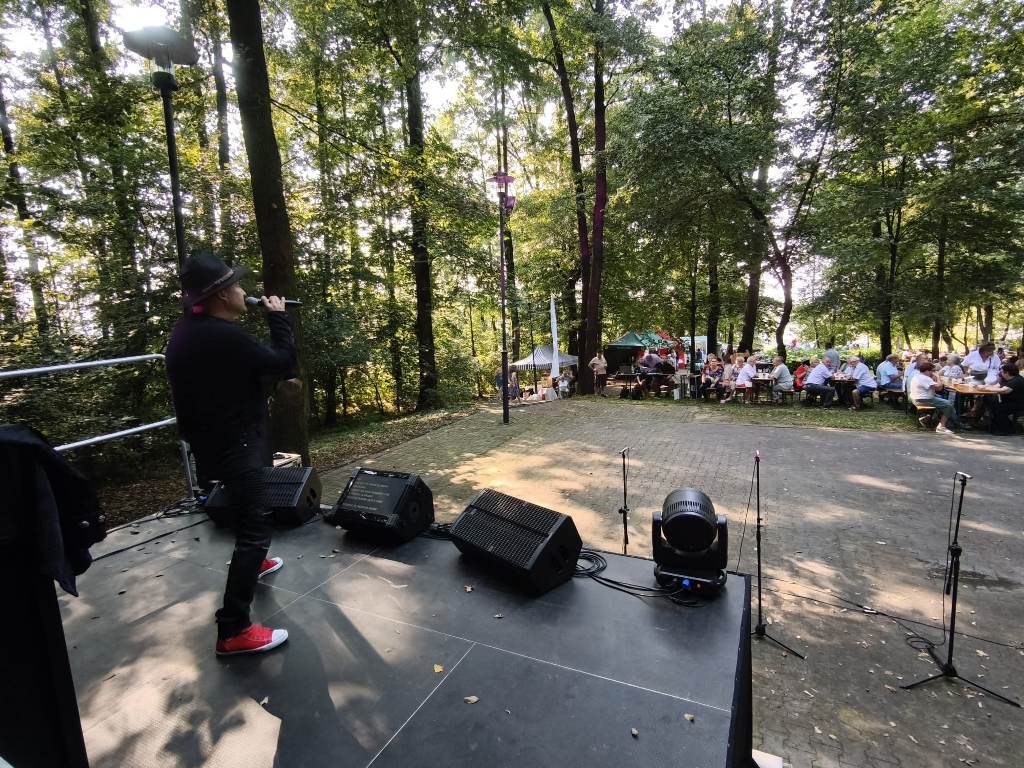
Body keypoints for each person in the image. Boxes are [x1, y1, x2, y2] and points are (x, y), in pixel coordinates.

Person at [165, 251, 297, 656]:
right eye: (237, 285)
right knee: (256, 528)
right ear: (222, 295)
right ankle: (233, 629)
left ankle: (254, 564)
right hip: (234, 442)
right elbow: (283, 363)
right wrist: (278, 317)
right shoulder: (223, 336)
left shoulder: (188, 331)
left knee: (243, 510)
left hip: (213, 440)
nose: (243, 291)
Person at [910, 360, 958, 435]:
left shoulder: (917, 376)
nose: (933, 372)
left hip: (916, 398)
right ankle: (941, 427)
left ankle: (927, 418)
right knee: (949, 404)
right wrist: (938, 377)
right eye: (932, 371)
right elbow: (939, 388)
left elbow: (933, 388)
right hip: (923, 400)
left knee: (941, 399)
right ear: (927, 371)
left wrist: (933, 378)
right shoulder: (925, 378)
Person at [980, 362, 1024, 435]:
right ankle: (995, 425)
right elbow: (997, 386)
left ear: (1007, 373)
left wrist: (986, 389)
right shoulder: (1007, 379)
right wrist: (984, 387)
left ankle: (1007, 430)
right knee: (988, 399)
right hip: (1009, 401)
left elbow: (1004, 391)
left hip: (1018, 404)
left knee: (999, 409)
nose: (1000, 373)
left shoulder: (1017, 380)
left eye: (1002, 371)